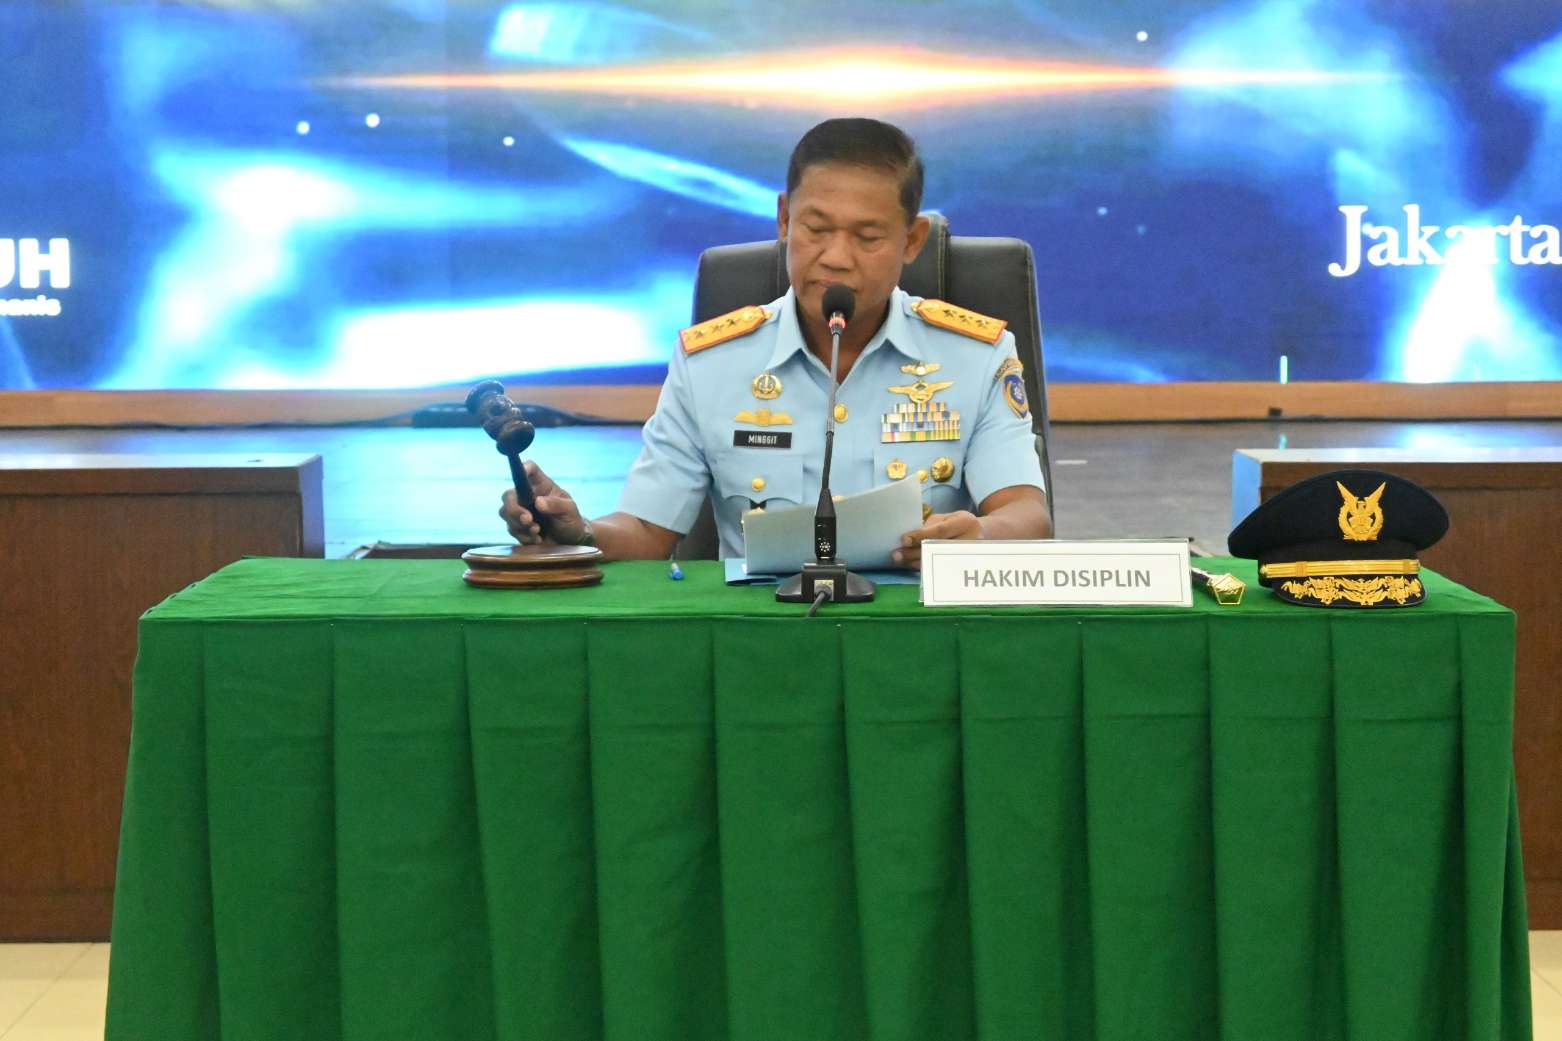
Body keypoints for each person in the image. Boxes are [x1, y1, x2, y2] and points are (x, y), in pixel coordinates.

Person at [501, 117, 1051, 567]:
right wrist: (579, 530)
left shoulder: (976, 356)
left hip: (913, 630)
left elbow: (1027, 514)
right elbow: (647, 532)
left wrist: (979, 535)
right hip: (762, 638)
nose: (836, 257)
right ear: (785, 219)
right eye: (817, 229)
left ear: (912, 241)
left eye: (867, 237)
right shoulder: (710, 363)